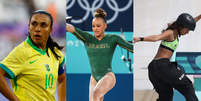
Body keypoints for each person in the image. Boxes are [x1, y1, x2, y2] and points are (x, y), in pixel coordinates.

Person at [66, 8, 133, 101]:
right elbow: (72, 29)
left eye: (98, 26)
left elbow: (131, 47)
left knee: (95, 95)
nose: (95, 28)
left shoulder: (113, 38)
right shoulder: (87, 38)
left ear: (105, 25)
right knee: (95, 98)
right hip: (93, 78)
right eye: (93, 26)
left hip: (108, 76)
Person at [0, 10, 66, 101]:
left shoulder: (55, 52)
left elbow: (62, 79)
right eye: (34, 24)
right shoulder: (22, 52)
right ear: (29, 27)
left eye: (43, 25)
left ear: (51, 30)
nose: (37, 29)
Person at [134, 13, 201, 101]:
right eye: (187, 30)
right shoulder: (170, 33)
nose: (187, 32)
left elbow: (192, 21)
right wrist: (140, 38)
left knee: (166, 96)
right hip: (162, 65)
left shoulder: (177, 31)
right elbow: (157, 37)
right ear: (181, 26)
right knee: (187, 85)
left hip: (154, 68)